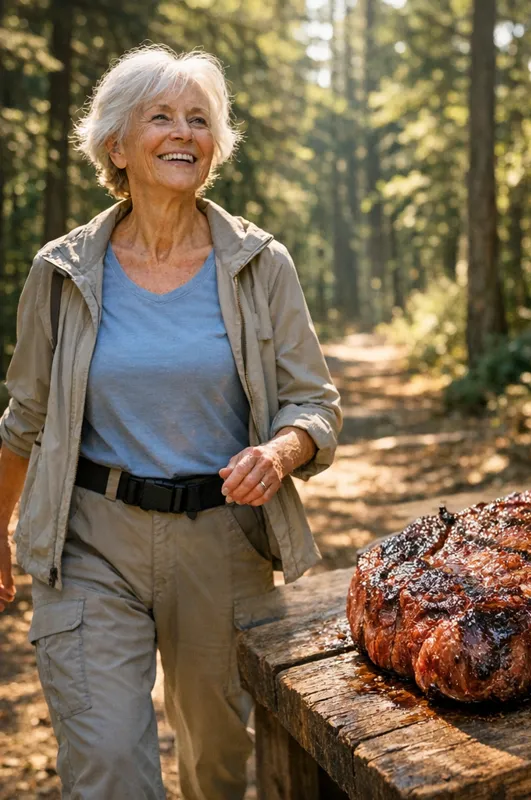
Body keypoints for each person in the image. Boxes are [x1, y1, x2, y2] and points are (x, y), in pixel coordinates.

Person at [0, 45, 342, 799]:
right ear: (117, 145)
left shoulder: (261, 264)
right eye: (162, 117)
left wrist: (281, 452)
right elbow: (23, 415)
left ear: (213, 148)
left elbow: (315, 403)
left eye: (199, 119)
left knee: (217, 765)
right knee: (111, 769)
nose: (183, 131)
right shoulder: (61, 272)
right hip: (91, 540)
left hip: (222, 540)